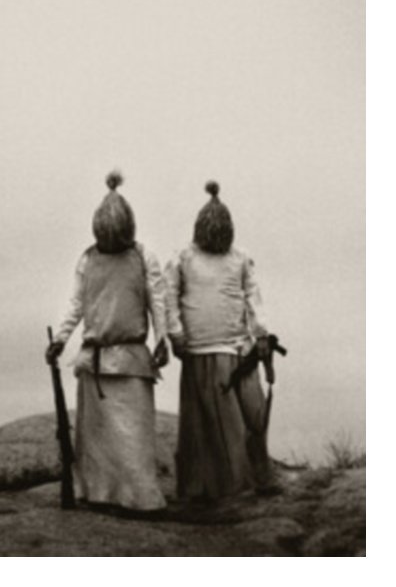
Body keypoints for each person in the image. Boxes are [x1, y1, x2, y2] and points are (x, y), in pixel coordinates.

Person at [45, 170, 169, 512]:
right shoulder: (88, 259)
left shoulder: (143, 257)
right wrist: (61, 338)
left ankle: (140, 498)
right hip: (95, 360)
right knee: (98, 440)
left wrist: (162, 338)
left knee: (133, 438)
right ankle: (99, 494)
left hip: (130, 359)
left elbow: (157, 300)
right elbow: (77, 304)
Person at [163, 181, 278, 502]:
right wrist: (175, 333)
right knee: (207, 427)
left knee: (251, 417)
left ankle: (254, 478)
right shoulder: (182, 258)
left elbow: (253, 297)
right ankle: (208, 488)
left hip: (239, 351)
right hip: (201, 349)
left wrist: (261, 334)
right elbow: (168, 296)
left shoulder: (240, 259)